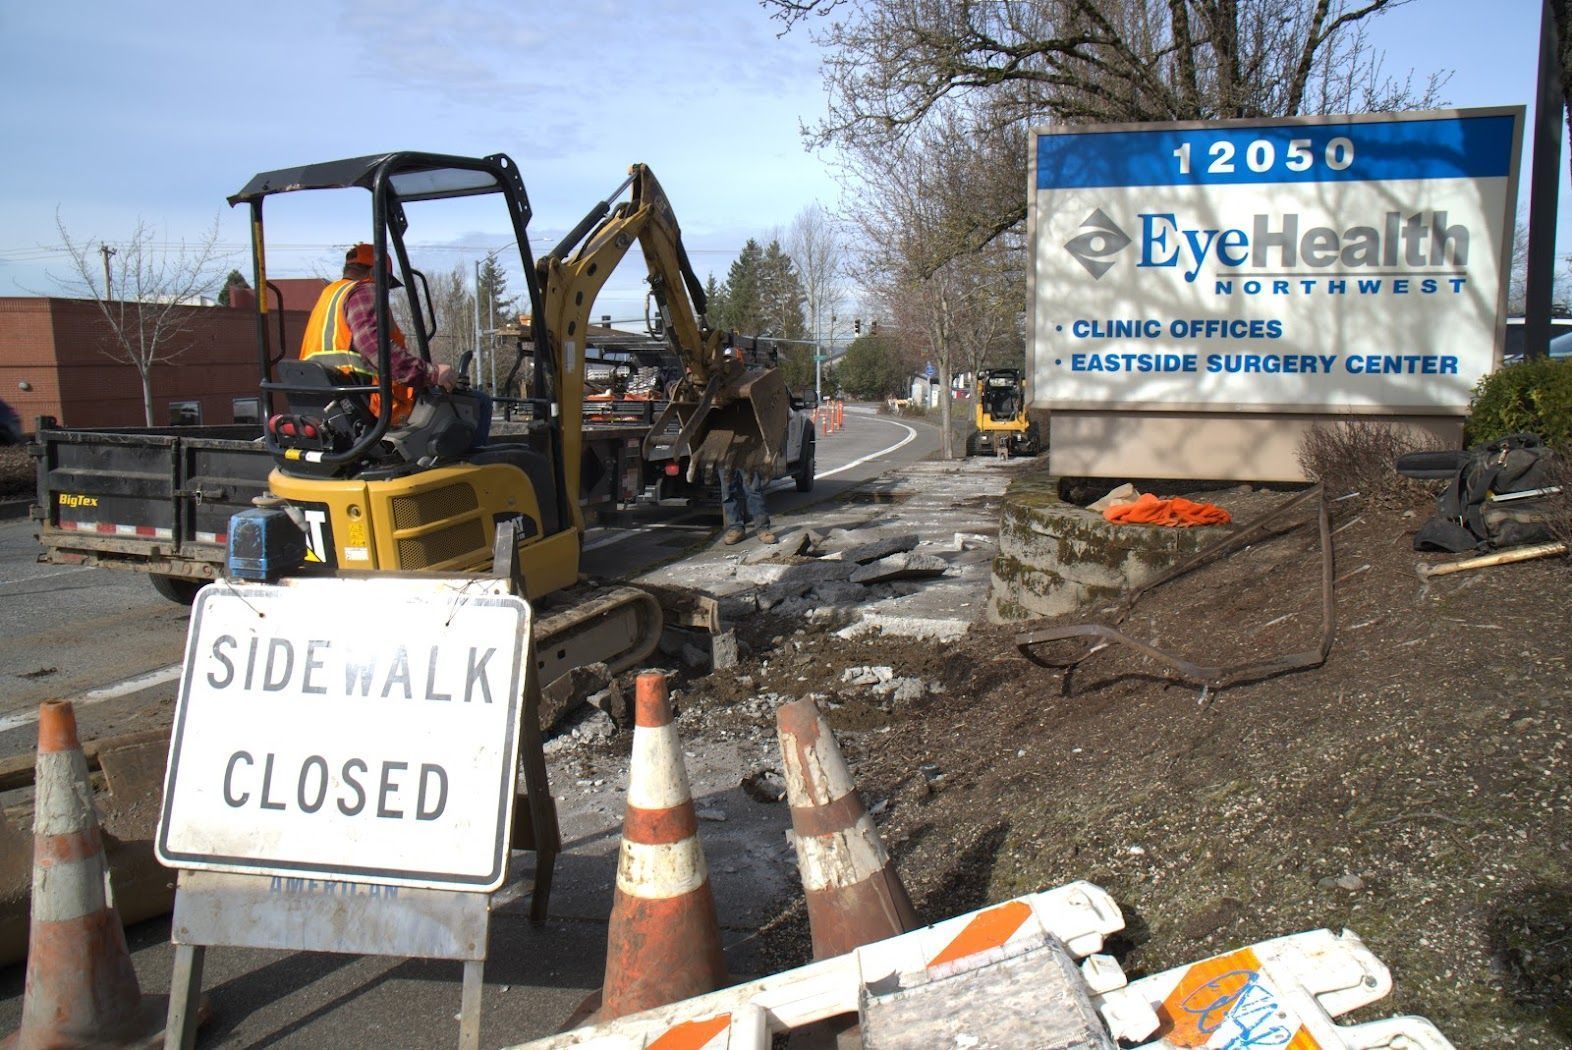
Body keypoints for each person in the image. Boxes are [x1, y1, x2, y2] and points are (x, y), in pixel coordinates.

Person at [300, 243, 491, 445]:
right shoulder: (363, 291)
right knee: (478, 404)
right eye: (387, 283)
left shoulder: (330, 296)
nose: (386, 292)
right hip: (368, 406)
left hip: (336, 404)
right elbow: (374, 347)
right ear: (375, 272)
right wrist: (433, 373)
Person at [720, 466, 775, 545]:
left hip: (746, 455)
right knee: (728, 492)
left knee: (753, 489)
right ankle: (736, 529)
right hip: (724, 456)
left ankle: (763, 529)